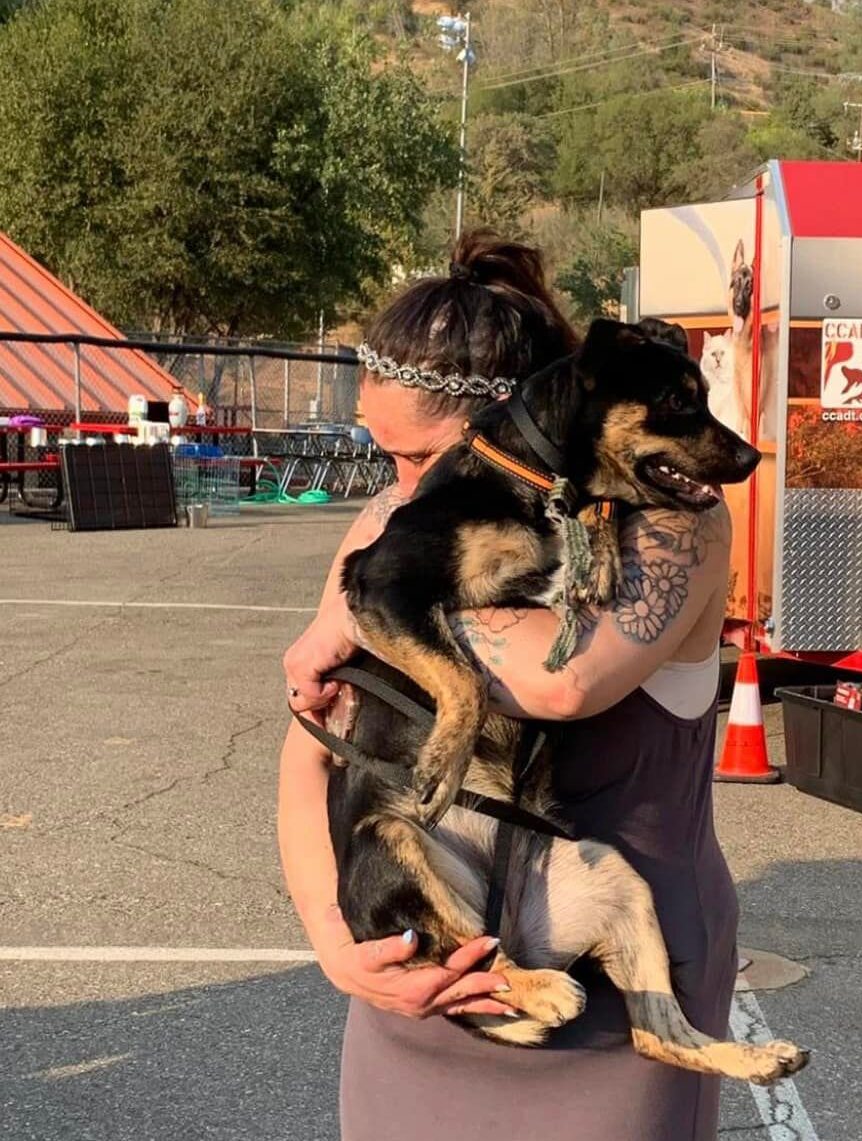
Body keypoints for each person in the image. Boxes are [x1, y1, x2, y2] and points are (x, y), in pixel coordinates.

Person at [278, 231, 740, 1141]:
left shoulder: (673, 521)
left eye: (420, 458)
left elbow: (563, 682)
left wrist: (377, 599)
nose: (402, 489)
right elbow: (310, 757)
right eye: (386, 458)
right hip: (430, 981)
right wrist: (341, 950)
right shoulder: (393, 524)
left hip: (611, 990)